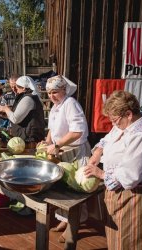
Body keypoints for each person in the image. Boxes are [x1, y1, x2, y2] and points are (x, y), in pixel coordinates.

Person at [84, 90, 142, 250]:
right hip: (117, 193)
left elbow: (131, 175)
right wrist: (98, 152)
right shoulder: (125, 124)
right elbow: (108, 138)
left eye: (115, 120)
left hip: (133, 196)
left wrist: (100, 173)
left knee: (129, 243)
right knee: (116, 242)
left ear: (128, 114)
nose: (113, 125)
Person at [44, 75, 91, 243]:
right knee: (62, 189)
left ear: (64, 90)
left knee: (74, 193)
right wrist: (47, 142)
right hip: (63, 153)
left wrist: (57, 145)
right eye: (49, 92)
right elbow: (51, 129)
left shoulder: (71, 104)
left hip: (76, 153)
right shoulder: (56, 107)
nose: (51, 96)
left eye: (55, 92)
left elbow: (77, 132)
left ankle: (73, 227)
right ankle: (64, 221)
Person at [0, 75, 45, 146]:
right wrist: (6, 114)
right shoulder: (29, 97)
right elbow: (23, 117)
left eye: (17, 87)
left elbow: (15, 119)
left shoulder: (28, 99)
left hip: (29, 139)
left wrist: (5, 109)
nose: (16, 90)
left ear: (23, 88)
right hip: (27, 137)